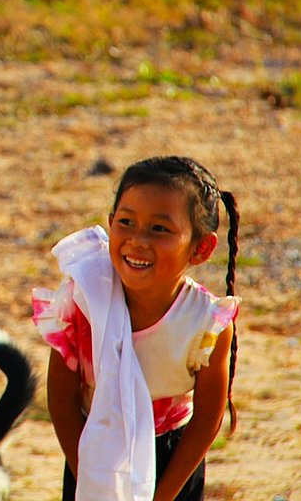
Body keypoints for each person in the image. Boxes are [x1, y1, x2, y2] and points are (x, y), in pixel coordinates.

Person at [32, 155, 241, 501]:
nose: (137, 240)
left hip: (173, 464)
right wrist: (89, 476)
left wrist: (163, 496)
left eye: (160, 229)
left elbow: (206, 420)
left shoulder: (205, 323)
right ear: (110, 222)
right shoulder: (84, 302)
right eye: (126, 222)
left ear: (201, 248)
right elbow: (63, 400)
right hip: (96, 452)